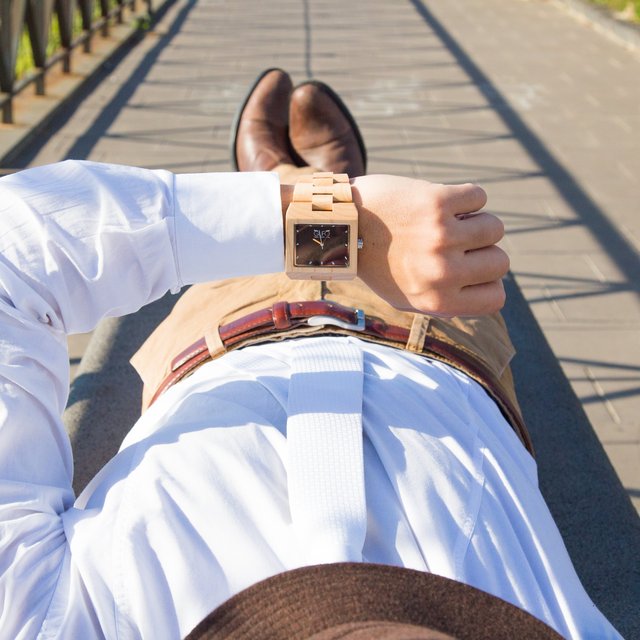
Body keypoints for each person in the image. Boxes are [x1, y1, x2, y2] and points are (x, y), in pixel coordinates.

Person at [0, 68, 622, 639]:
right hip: (435, 342)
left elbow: (16, 248)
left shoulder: (51, 623)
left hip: (226, 328)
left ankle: (279, 180)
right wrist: (345, 223)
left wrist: (337, 225)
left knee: (257, 237)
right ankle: (313, 178)